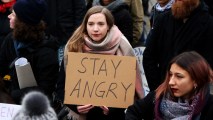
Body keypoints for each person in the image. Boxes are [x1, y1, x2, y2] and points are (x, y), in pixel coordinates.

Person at [55, 6, 144, 120]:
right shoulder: (74, 47)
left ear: (108, 26)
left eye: (101, 24)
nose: (95, 29)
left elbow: (131, 91)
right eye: (91, 24)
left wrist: (113, 108)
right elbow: (61, 88)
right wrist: (76, 106)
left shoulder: (123, 46)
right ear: (85, 26)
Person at [143, 0, 213, 91]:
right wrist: (157, 88)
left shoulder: (208, 24)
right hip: (163, 87)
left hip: (192, 93)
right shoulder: (163, 20)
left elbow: (207, 64)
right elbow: (149, 56)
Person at [0, 0, 59, 104]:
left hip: (36, 106)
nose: (9, 16)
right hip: (10, 103)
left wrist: (13, 94)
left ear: (22, 23)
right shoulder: (10, 39)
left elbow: (45, 90)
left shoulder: (47, 52)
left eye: (13, 15)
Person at [126, 51, 213, 120]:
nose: (171, 82)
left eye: (179, 76)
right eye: (171, 75)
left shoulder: (209, 106)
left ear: (196, 80)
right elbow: (133, 111)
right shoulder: (158, 96)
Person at [43, 0, 86, 64]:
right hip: (48, 38)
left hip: (68, 38)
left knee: (66, 68)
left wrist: (75, 36)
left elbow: (80, 12)